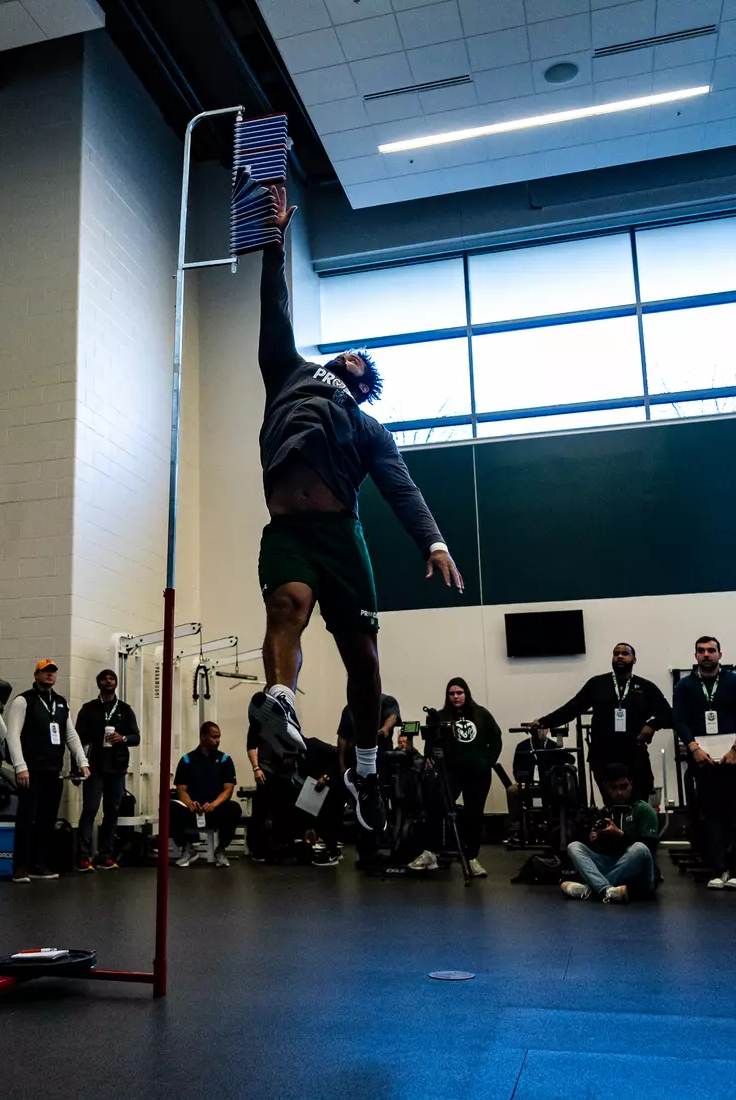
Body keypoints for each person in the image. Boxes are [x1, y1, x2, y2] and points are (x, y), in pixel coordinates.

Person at [246, 183, 463, 837]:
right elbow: (273, 306)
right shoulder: (289, 372)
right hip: (288, 529)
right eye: (346, 354)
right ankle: (280, 700)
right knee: (286, 605)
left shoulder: (369, 429)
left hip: (342, 534)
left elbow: (401, 489)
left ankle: (364, 769)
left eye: (360, 366)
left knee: (362, 658)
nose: (349, 360)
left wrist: (434, 542)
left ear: (366, 389)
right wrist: (274, 239)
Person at [535, 642, 674, 803]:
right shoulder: (597, 684)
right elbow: (572, 708)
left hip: (634, 754)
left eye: (625, 653)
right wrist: (544, 722)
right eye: (616, 653)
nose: (620, 656)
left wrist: (652, 725)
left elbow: (669, 714)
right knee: (611, 804)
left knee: (638, 803)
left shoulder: (645, 687)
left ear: (634, 659)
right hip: (603, 755)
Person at [672, 637, 736, 891]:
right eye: (701, 651)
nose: (706, 655)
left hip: (735, 758)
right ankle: (718, 870)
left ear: (720, 654)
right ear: (695, 656)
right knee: (710, 815)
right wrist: (694, 748)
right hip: (703, 759)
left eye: (711, 650)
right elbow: (679, 720)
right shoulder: (685, 686)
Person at [4, 660, 89, 884]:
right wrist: (20, 767)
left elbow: (70, 735)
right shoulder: (24, 701)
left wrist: (83, 761)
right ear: (36, 675)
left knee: (46, 820)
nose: (50, 675)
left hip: (53, 771)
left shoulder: (60, 703)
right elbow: (13, 735)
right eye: (46, 672)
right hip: (31, 771)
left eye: (53, 672)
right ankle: (20, 867)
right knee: (26, 819)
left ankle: (40, 864)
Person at [411, 678, 501, 878]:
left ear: (466, 693)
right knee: (436, 807)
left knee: (474, 815)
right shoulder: (441, 716)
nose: (456, 697)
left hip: (478, 774)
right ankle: (430, 853)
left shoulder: (482, 714)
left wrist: (487, 761)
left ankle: (471, 859)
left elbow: (496, 738)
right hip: (450, 773)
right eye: (451, 693)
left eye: (459, 693)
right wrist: (430, 758)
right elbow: (431, 741)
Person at [562, 763, 659, 903]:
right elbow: (603, 852)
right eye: (613, 788)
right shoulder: (605, 813)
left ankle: (592, 889)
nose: (619, 793)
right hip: (613, 864)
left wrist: (619, 834)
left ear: (631, 785)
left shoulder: (644, 810)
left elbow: (649, 850)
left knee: (640, 848)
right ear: (606, 788)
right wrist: (595, 839)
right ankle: (608, 891)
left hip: (639, 872)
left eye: (623, 787)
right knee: (574, 847)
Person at [75, 668, 140, 871]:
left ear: (116, 683)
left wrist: (123, 738)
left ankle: (105, 856)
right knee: (90, 810)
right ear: (99, 683)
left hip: (117, 769)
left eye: (112, 678)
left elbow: (136, 737)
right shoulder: (88, 709)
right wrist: (77, 767)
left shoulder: (125, 709)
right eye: (104, 678)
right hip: (94, 768)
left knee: (112, 812)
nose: (108, 681)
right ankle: (83, 856)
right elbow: (76, 740)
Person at [173, 722, 243, 868]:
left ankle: (221, 850)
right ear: (203, 736)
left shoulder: (225, 760)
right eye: (213, 737)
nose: (217, 740)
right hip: (193, 812)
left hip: (214, 811)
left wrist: (213, 804)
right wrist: (190, 803)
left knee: (234, 808)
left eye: (219, 737)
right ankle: (187, 849)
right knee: (169, 808)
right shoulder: (187, 760)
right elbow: (181, 790)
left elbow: (228, 790)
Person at [336, 692, 401, 774]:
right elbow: (342, 737)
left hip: (381, 755)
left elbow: (392, 717)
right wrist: (341, 765)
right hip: (356, 758)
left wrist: (384, 729)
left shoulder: (386, 701)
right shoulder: (350, 708)